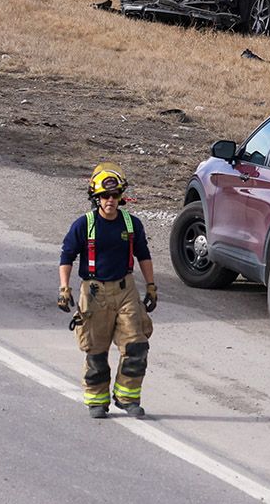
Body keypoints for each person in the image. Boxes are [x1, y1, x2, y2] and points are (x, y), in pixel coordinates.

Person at [58, 162, 157, 419]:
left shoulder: (132, 224)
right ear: (96, 198)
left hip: (126, 291)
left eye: (114, 195)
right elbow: (66, 257)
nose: (110, 200)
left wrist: (151, 286)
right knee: (96, 350)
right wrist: (64, 288)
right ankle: (97, 400)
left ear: (121, 196)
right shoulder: (84, 224)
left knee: (137, 346)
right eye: (104, 196)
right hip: (94, 293)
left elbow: (143, 255)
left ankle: (127, 398)